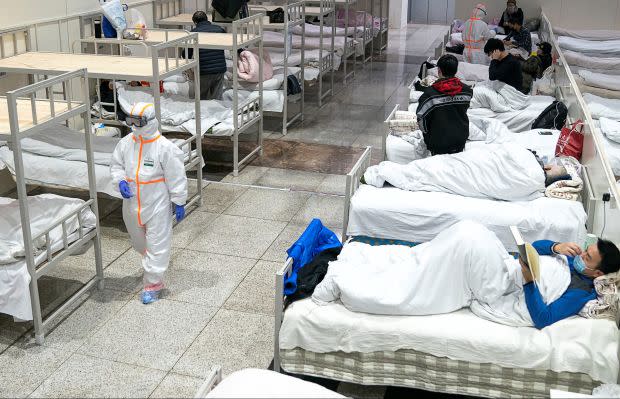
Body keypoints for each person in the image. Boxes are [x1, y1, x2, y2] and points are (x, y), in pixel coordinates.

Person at [313, 220, 620, 330]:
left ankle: (345, 281)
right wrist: (554, 245)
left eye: (587, 257)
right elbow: (533, 249)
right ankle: (371, 264)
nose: (581, 255)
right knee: (467, 232)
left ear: (598, 273)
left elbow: (542, 317)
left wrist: (527, 280)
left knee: (467, 240)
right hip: (507, 268)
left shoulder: (579, 293)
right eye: (584, 250)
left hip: (500, 288)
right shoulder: (571, 259)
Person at [110, 104, 188, 304]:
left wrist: (178, 200)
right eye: (131, 121)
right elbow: (116, 165)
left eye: (139, 122)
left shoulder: (164, 147)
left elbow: (176, 175)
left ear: (151, 121)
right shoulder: (126, 143)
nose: (134, 126)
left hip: (157, 204)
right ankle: (152, 263)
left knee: (157, 245)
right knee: (139, 244)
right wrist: (120, 180)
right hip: (131, 204)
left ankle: (153, 284)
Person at [416, 55, 473, 156]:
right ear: (455, 70)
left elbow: (421, 118)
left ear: (439, 70)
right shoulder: (467, 91)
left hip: (438, 142)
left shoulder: (430, 95)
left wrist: (427, 134)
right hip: (460, 139)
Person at [187, 11, 226, 100]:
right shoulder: (219, 29)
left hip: (203, 71)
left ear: (195, 22)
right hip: (219, 69)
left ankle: (202, 114)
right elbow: (233, 42)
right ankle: (217, 113)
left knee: (201, 99)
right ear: (207, 19)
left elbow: (187, 55)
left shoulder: (193, 33)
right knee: (217, 99)